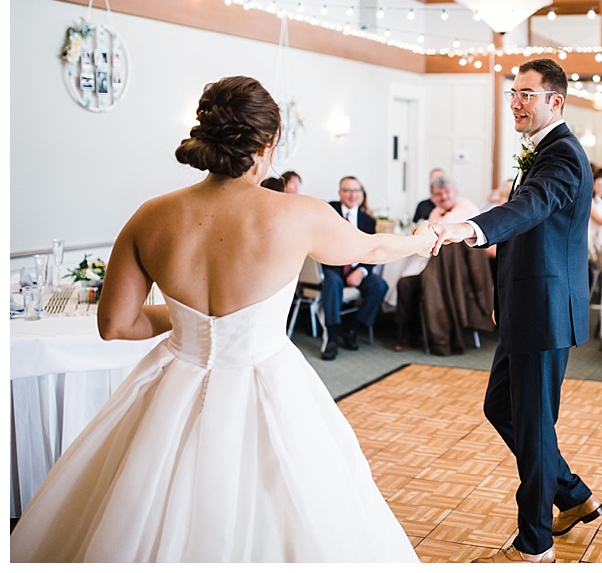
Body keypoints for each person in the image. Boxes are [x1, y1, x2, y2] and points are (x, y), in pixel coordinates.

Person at [9, 76, 434, 563]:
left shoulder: (151, 215)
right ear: (267, 144)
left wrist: (192, 321)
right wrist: (423, 240)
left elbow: (116, 325)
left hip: (173, 381)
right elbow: (374, 246)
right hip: (267, 378)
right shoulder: (297, 214)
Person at [429, 58, 602, 563]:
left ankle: (535, 543)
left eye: (527, 94)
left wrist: (469, 227)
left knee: (532, 421)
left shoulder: (564, 156)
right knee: (502, 407)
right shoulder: (541, 151)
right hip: (526, 307)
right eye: (514, 94)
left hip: (546, 310)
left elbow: (530, 208)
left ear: (556, 102)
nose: (516, 103)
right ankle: (572, 495)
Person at [394, 176, 480, 352]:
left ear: (455, 191)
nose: (444, 196)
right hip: (433, 264)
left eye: (447, 191)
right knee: (405, 283)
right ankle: (409, 334)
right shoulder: (436, 212)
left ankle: (441, 335)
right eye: (438, 194)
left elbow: (440, 228)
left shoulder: (466, 207)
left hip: (460, 271)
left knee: (430, 282)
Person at [321, 176, 389, 358]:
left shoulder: (368, 220)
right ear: (340, 193)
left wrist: (362, 270)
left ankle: (352, 329)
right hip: (333, 266)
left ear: (361, 193)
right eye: (347, 190)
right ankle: (332, 338)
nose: (352, 195)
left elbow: (372, 250)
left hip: (357, 267)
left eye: (356, 191)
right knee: (332, 283)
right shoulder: (329, 211)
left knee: (380, 286)